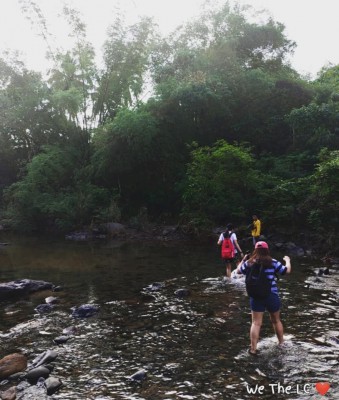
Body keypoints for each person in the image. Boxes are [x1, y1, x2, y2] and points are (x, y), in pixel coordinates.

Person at [235, 241, 291, 356]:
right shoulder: (273, 262)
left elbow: (239, 271)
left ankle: (253, 349)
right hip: (271, 295)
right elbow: (286, 271)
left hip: (255, 296)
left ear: (255, 250)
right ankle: (281, 344)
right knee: (276, 320)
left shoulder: (249, 263)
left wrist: (244, 259)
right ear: (267, 250)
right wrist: (288, 261)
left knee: (256, 323)